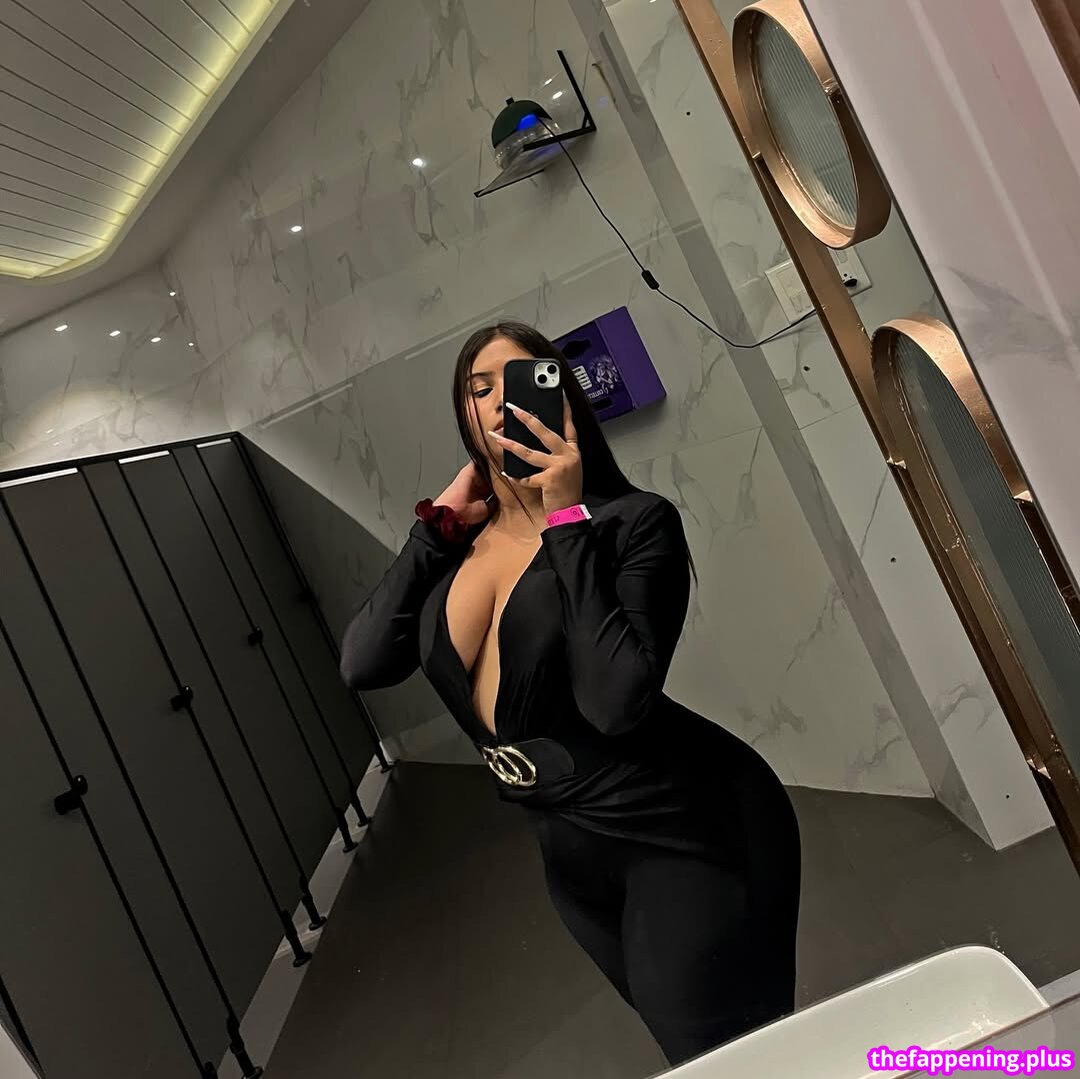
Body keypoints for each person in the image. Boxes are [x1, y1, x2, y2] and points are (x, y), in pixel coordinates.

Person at [339, 320, 801, 1065]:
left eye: (521, 380)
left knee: (725, 1053)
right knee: (707, 1050)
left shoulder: (633, 524)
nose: (498, 400)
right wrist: (437, 527)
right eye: (477, 389)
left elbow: (614, 704)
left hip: (683, 825)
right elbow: (363, 662)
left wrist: (565, 518)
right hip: (569, 852)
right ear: (463, 416)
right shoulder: (457, 543)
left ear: (562, 399)